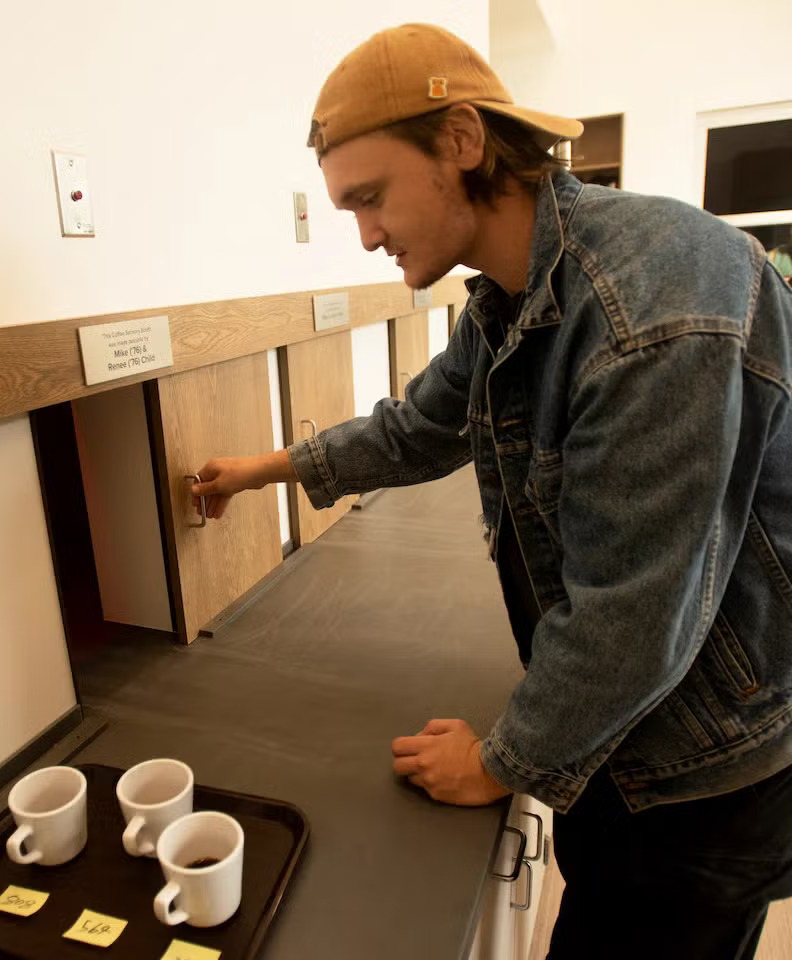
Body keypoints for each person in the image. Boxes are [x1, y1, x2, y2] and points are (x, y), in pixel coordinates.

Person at [190, 23, 792, 960]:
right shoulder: (506, 299)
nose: (365, 235)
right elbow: (419, 428)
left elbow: (634, 614)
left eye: (371, 198)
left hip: (706, 772)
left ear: (463, 144)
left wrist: (499, 759)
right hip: (631, 739)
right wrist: (260, 470)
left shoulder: (656, 302)